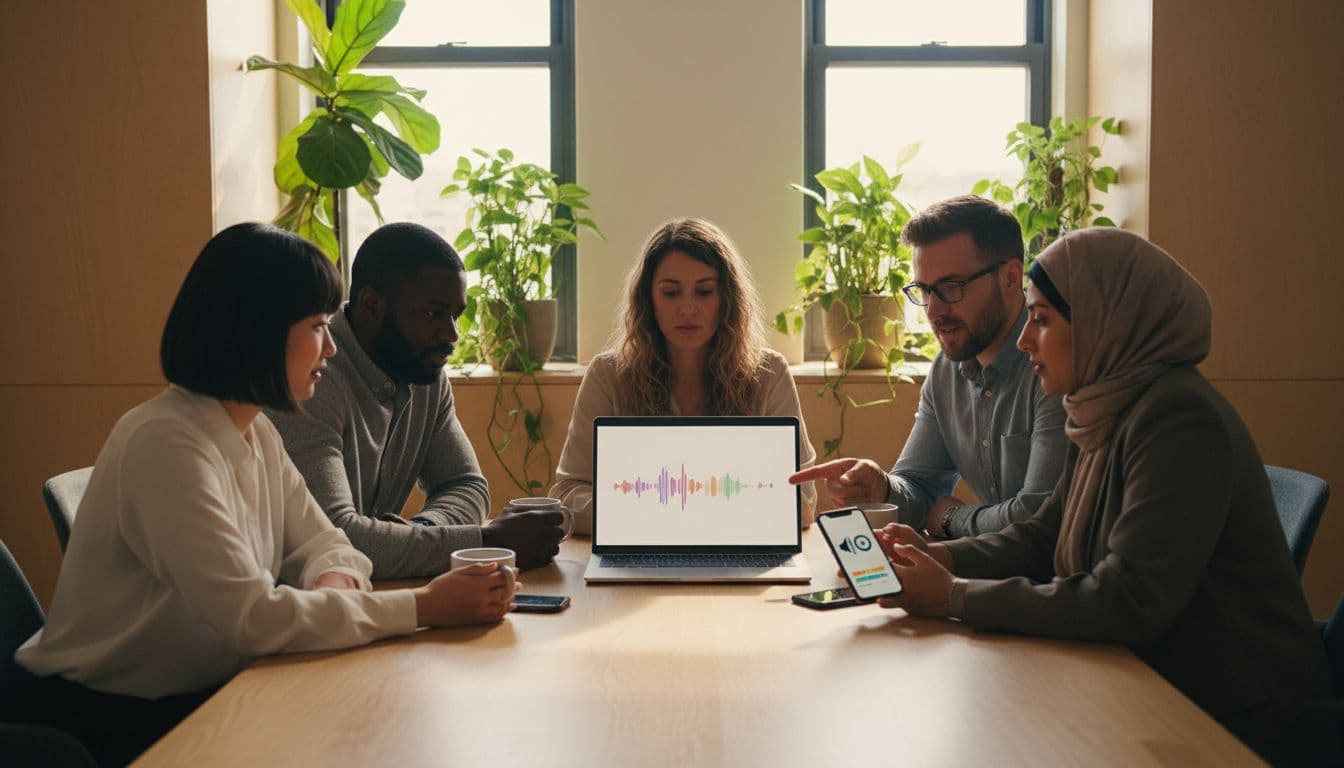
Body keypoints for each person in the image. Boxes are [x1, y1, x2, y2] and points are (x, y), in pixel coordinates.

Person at [10, 224, 517, 766]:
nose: (330, 346)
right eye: (318, 327)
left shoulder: (255, 430)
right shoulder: (167, 442)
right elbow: (253, 616)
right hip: (109, 718)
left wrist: (335, 582)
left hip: (207, 689)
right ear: (258, 330)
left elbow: (330, 543)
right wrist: (424, 605)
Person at [869, 228, 1332, 764]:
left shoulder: (1177, 418)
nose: (1024, 340)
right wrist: (938, 556)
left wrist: (953, 596)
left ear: (1102, 323)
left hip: (1232, 717)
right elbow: (1045, 534)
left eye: (1041, 320)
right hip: (1146, 681)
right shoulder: (1108, 407)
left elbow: (1127, 600)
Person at [269, 223, 565, 575]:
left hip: (366, 595)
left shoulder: (424, 371)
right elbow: (335, 538)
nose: (451, 334)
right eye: (432, 313)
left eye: (456, 315)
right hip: (300, 604)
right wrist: (482, 543)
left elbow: (465, 484)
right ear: (370, 304)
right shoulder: (311, 379)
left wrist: (420, 533)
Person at [790, 195, 1067, 538]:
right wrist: (882, 487)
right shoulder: (947, 371)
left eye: (951, 287)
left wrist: (950, 518)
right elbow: (919, 487)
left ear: (1011, 278)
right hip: (994, 575)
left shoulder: (1055, 363)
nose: (934, 311)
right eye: (924, 290)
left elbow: (1037, 520)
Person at [551, 217, 818, 534]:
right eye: (671, 293)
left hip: (737, 551)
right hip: (640, 547)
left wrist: (668, 508)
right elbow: (567, 496)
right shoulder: (608, 375)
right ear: (648, 299)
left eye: (704, 292)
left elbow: (801, 503)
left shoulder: (769, 373)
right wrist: (670, 512)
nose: (688, 309)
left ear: (727, 299)